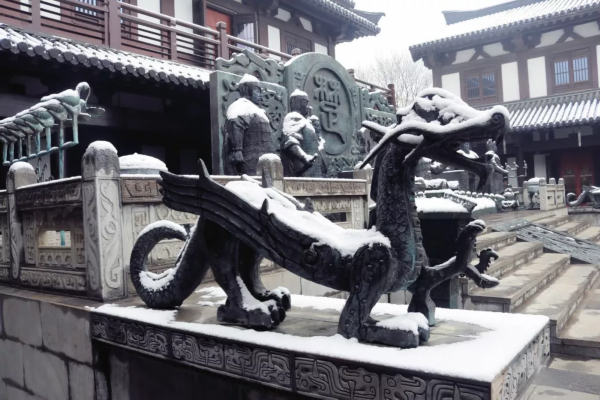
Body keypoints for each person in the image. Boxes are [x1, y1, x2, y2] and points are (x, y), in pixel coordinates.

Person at [223, 74, 275, 175]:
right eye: (257, 91)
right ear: (247, 90)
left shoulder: (256, 109)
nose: (260, 94)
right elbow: (236, 125)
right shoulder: (241, 106)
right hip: (249, 161)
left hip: (263, 162)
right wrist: (237, 150)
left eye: (260, 91)